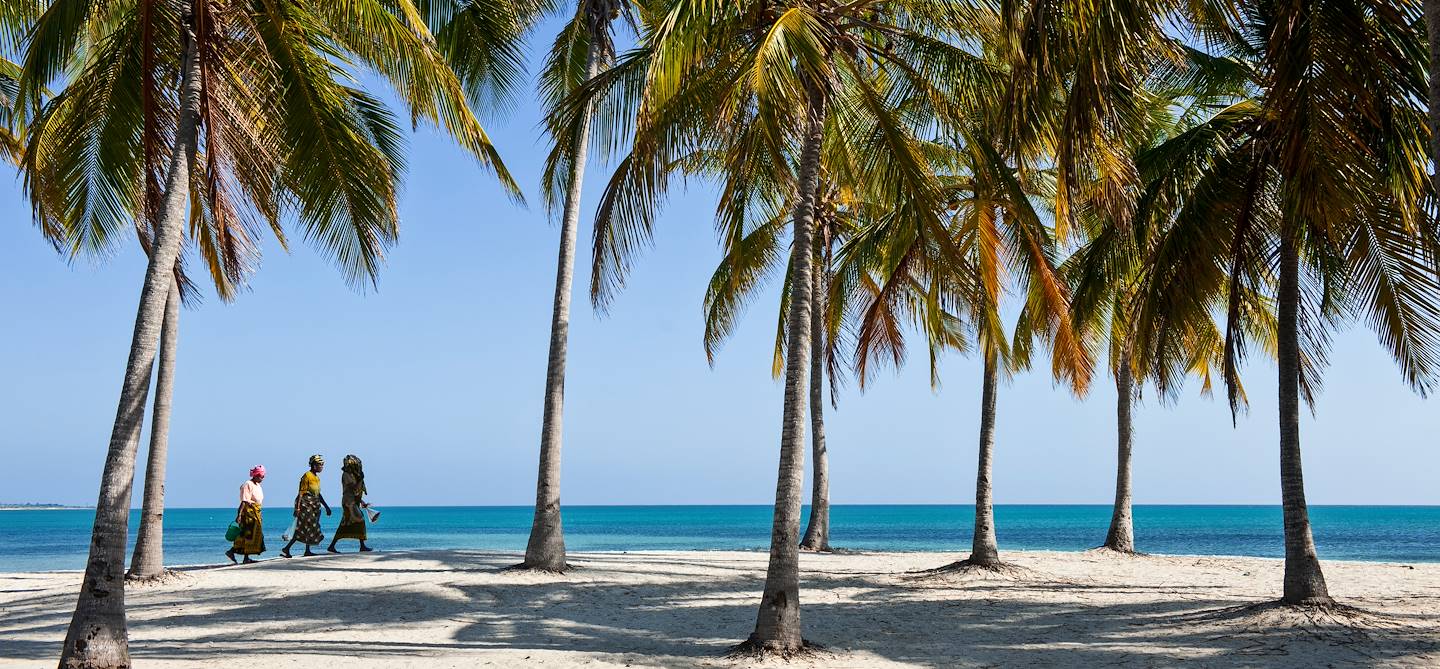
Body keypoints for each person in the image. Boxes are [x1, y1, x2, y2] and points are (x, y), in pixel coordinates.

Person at [281, 455, 331, 558]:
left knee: (309, 527)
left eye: (322, 465)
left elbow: (318, 494)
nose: (321, 467)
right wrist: (297, 508)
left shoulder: (317, 478)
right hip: (305, 504)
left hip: (315, 504)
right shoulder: (306, 476)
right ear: (313, 465)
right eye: (319, 464)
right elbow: (301, 493)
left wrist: (326, 506)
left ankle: (306, 550)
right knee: (307, 526)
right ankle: (287, 548)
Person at [328, 454, 373, 553]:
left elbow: (356, 492)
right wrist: (360, 479)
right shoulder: (347, 475)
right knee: (360, 520)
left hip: (353, 502)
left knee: (344, 524)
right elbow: (353, 488)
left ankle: (332, 546)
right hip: (349, 503)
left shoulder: (354, 474)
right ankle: (362, 546)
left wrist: (362, 502)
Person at [226, 465, 267, 564]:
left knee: (251, 535)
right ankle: (241, 556)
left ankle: (241, 556)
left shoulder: (257, 485)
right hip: (248, 513)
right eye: (261, 476)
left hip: (255, 512)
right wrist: (239, 515)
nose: (263, 478)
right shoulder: (247, 484)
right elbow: (244, 501)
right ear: (256, 475)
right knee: (247, 534)